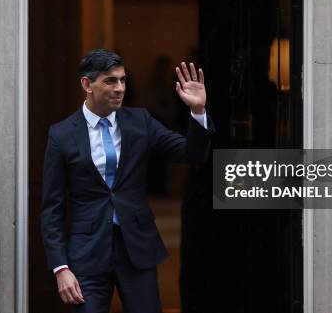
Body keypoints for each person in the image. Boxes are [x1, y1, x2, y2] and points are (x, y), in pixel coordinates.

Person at [41, 49, 213, 313]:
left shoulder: (140, 121)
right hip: (87, 254)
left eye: (122, 80)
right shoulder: (62, 135)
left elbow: (191, 152)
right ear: (87, 84)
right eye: (110, 81)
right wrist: (60, 267)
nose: (119, 88)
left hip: (137, 249)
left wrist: (198, 110)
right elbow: (52, 208)